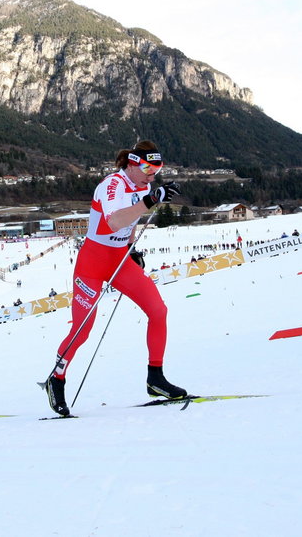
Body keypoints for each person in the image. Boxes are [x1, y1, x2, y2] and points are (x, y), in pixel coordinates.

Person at [44, 140, 186, 417]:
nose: (152, 174)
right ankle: (56, 379)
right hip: (93, 262)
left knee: (158, 311)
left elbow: (130, 225)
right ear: (132, 164)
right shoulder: (112, 185)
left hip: (120, 260)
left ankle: (155, 379)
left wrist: (132, 249)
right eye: (147, 168)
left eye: (157, 168)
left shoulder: (145, 186)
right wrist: (151, 200)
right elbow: (114, 222)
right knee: (82, 329)